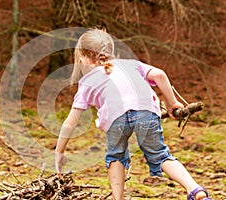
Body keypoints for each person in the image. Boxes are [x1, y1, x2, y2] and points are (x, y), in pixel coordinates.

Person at [54, 28, 211, 200]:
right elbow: (159, 74)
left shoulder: (87, 82)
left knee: (116, 156)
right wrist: (171, 102)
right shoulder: (132, 65)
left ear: (83, 57)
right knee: (161, 155)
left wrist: (59, 151)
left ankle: (118, 198)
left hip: (115, 120)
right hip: (146, 112)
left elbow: (71, 122)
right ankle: (195, 190)